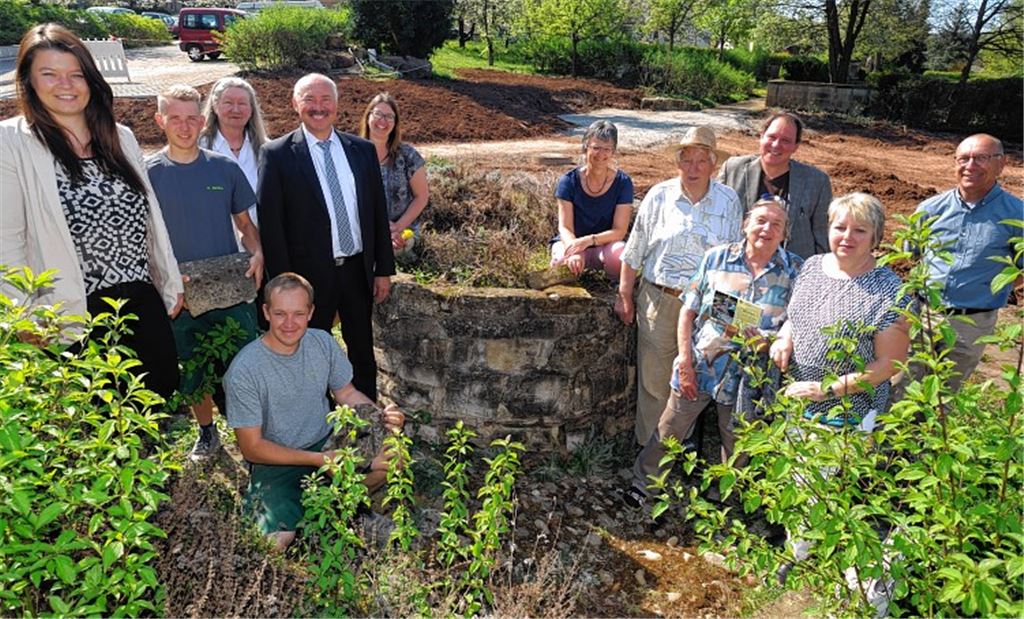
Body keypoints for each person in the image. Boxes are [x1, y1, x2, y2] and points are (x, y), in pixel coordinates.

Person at [0, 23, 182, 398]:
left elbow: (150, 221)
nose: (65, 85)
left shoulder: (121, 138)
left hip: (139, 305)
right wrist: (23, 315)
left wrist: (169, 279)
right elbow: (7, 240)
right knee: (95, 422)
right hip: (72, 312)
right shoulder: (12, 143)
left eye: (75, 74)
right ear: (29, 81)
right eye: (49, 74)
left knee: (153, 407)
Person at [625, 198, 802, 508]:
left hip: (752, 375)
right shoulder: (716, 258)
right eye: (760, 220)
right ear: (746, 225)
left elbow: (796, 324)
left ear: (785, 233)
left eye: (776, 224)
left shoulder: (795, 271)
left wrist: (767, 341)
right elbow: (688, 312)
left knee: (738, 440)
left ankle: (723, 496)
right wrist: (685, 362)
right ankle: (645, 484)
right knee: (670, 428)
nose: (767, 229)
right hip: (703, 365)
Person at [224, 272, 405, 550]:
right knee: (272, 543)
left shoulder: (322, 342)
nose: (289, 323)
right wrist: (319, 459)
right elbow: (252, 448)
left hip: (327, 442)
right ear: (266, 312)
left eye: (298, 313)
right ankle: (320, 516)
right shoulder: (245, 370)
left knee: (392, 458)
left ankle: (342, 511)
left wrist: (382, 415)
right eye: (280, 313)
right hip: (276, 461)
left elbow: (346, 393)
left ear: (310, 312)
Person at [258, 73, 395, 401]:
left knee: (361, 349)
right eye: (309, 99)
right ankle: (318, 420)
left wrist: (383, 269)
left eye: (325, 100)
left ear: (336, 105)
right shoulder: (276, 155)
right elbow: (271, 224)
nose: (318, 107)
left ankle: (365, 421)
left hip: (356, 270)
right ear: (295, 104)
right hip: (306, 278)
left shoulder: (361, 150)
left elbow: (377, 213)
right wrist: (283, 284)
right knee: (309, 351)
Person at [147, 84, 263, 459]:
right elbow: (143, 238)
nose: (183, 127)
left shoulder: (223, 168)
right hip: (180, 294)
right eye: (174, 118)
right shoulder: (147, 175)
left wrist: (259, 252)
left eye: (190, 118)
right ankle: (207, 431)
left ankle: (254, 438)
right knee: (193, 369)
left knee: (243, 366)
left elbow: (245, 226)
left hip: (230, 290)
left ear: (201, 120)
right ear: (160, 120)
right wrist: (161, 278)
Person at [616, 126, 744, 445]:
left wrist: (730, 315)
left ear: (714, 164)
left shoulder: (728, 200)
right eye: (686, 160)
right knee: (655, 383)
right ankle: (650, 457)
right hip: (661, 298)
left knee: (697, 383)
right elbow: (635, 250)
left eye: (702, 161)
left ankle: (684, 455)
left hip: (709, 306)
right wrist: (624, 295)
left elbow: (734, 260)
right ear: (677, 162)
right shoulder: (659, 196)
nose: (693, 168)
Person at [770, 193, 912, 429]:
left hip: (848, 414)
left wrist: (830, 389)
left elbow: (891, 362)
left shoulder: (889, 290)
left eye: (860, 230)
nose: (847, 237)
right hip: (797, 401)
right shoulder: (813, 266)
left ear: (875, 237)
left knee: (833, 467)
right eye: (840, 227)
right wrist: (784, 338)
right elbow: (797, 317)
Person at [910, 134, 1022, 389]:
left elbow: (1020, 268)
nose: (970, 165)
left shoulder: (1017, 215)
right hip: (922, 315)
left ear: (1002, 163)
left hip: (971, 324)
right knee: (903, 389)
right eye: (963, 158)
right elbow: (912, 254)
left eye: (981, 158)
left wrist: (988, 289)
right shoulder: (931, 209)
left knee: (945, 399)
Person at [718, 112, 833, 259]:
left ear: (796, 146)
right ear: (761, 137)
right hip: (738, 265)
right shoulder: (733, 169)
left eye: (786, 140)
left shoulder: (817, 182)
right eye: (772, 137)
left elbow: (822, 236)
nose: (776, 145)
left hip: (793, 272)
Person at [547, 120, 634, 281]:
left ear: (613, 151)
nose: (601, 154)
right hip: (572, 242)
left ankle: (612, 289)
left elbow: (619, 231)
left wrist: (588, 241)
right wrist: (575, 249)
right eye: (596, 148)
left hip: (605, 245)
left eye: (607, 149)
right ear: (585, 147)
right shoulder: (568, 181)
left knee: (619, 255)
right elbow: (565, 226)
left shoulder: (623, 183)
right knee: (561, 261)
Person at [358, 92, 429, 258]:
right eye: (378, 114)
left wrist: (398, 227)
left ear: (395, 123)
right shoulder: (352, 152)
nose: (383, 121)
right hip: (363, 229)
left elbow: (422, 196)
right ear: (368, 117)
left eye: (389, 117)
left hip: (401, 230)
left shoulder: (408, 155)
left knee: (390, 249)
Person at [200, 76, 268, 229]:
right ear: (215, 106)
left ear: (251, 110)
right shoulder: (198, 149)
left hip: (261, 242)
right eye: (228, 103)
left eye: (242, 103)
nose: (235, 109)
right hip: (219, 242)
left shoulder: (267, 150)